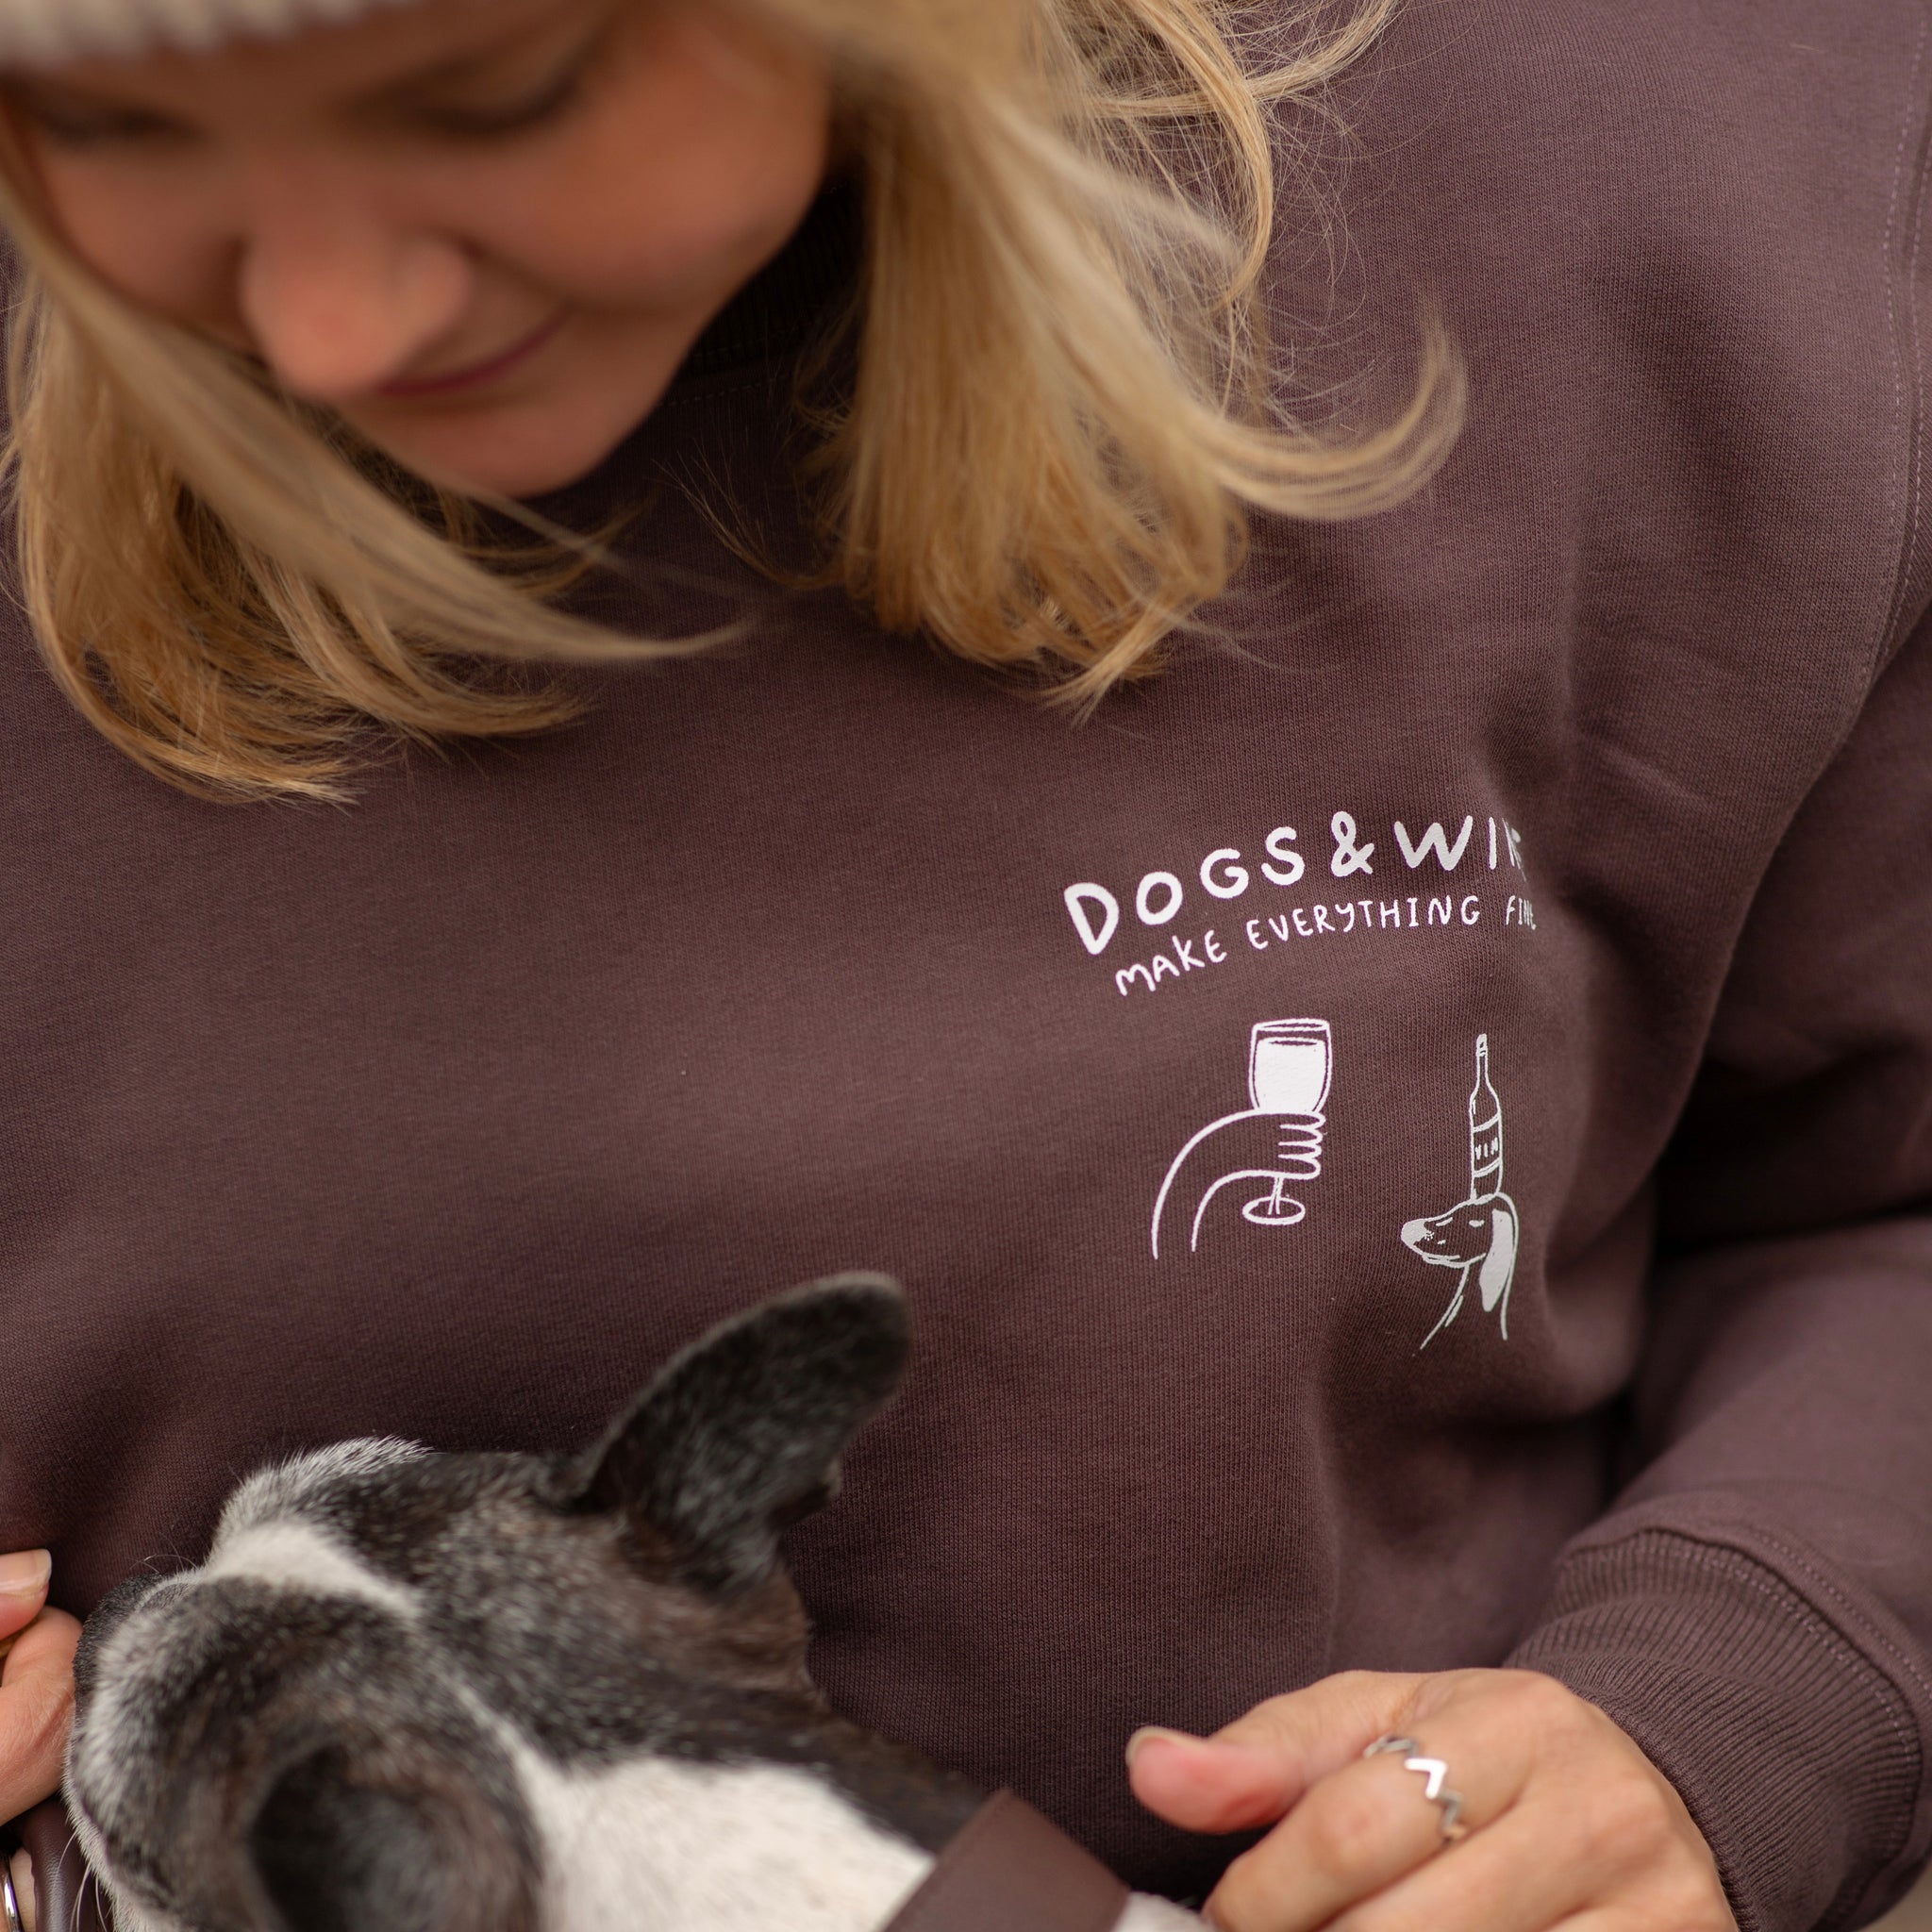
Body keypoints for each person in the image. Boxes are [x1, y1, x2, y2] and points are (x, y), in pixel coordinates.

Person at [0, 0, 1925, 1926]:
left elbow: (1873, 1193)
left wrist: (1738, 1691)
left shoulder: (1674, 159)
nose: (336, 327)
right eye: (116, 129)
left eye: (492, 95)